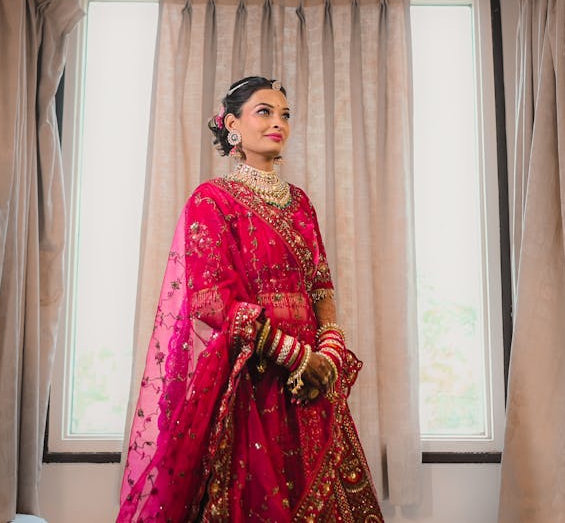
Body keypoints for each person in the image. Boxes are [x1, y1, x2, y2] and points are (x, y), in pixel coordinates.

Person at [117, 76, 383, 522]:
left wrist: (329, 354)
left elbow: (320, 285)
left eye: (285, 114)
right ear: (232, 125)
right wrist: (295, 355)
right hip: (253, 379)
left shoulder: (300, 203)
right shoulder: (211, 200)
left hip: (311, 383)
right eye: (264, 112)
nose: (278, 122)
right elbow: (211, 301)